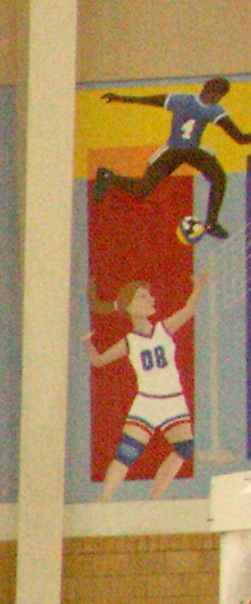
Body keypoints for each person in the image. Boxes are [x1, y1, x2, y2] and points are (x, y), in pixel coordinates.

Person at [88, 274, 204, 501]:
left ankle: (152, 501)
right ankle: (102, 502)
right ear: (130, 307)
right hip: (147, 401)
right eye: (143, 296)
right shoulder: (130, 341)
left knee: (184, 447)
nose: (151, 299)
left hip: (173, 400)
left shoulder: (163, 328)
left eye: (150, 295)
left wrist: (198, 287)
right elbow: (99, 361)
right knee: (126, 453)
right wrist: (87, 343)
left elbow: (188, 310)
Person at [93, 79, 246, 239]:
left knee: (219, 178)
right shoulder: (180, 100)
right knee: (143, 189)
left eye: (217, 97)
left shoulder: (215, 110)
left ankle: (211, 223)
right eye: (212, 95)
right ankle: (108, 176)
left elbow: (239, 138)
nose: (213, 99)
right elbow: (150, 100)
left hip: (193, 151)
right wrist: (121, 98)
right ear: (206, 90)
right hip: (173, 151)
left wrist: (120, 98)